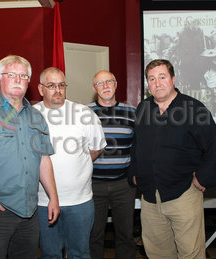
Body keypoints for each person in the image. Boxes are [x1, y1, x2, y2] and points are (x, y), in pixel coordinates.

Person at [0, 55, 59, 259]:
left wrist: (54, 198)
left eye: (23, 76)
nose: (18, 79)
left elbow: (43, 160)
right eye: (11, 74)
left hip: (29, 214)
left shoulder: (36, 117)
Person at [128, 59, 216, 259]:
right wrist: (134, 172)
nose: (157, 83)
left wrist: (204, 177)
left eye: (162, 77)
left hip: (183, 194)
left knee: (191, 254)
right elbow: (136, 144)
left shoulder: (193, 108)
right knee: (157, 253)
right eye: (152, 79)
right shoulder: (143, 108)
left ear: (172, 79)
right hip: (149, 198)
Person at [33, 67, 106, 259]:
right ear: (41, 89)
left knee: (80, 254)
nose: (57, 90)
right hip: (42, 202)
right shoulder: (30, 116)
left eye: (61, 85)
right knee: (50, 254)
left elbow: (96, 149)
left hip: (79, 202)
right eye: (51, 85)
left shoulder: (85, 114)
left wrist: (76, 164)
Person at [87, 70, 137, 259]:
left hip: (123, 185)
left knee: (125, 234)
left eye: (109, 81)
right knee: (94, 235)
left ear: (116, 84)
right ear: (94, 88)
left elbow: (138, 147)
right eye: (100, 83)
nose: (105, 86)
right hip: (92, 185)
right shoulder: (83, 113)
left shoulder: (132, 112)